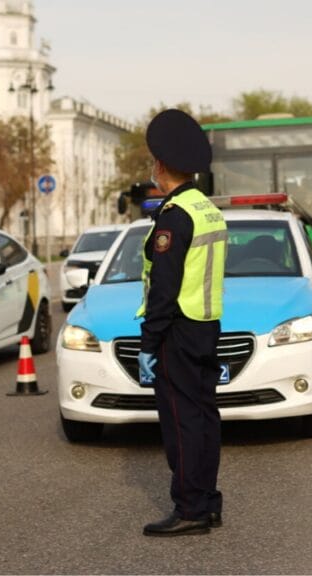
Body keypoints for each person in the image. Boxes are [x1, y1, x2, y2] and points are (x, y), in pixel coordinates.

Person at [136, 109, 227, 537]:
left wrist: (148, 344)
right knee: (205, 417)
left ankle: (190, 508)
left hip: (178, 330)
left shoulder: (173, 217)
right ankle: (208, 501)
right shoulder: (206, 208)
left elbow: (164, 288)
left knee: (182, 423)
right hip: (206, 325)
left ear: (159, 166)